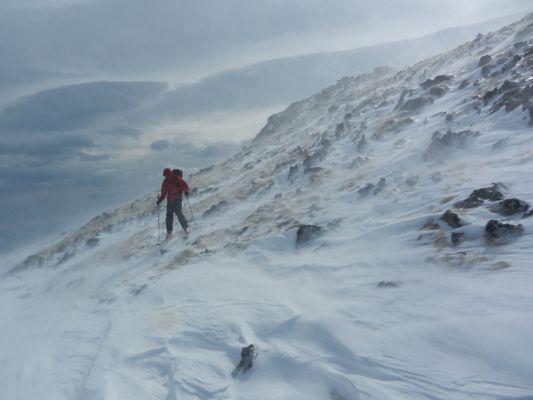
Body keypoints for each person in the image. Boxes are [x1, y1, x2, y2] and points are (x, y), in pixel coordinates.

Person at [157, 168, 190, 239]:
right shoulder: (172, 179)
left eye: (165, 175)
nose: (165, 176)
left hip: (174, 199)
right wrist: (186, 191)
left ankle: (170, 233)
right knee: (178, 214)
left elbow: (163, 193)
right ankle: (185, 228)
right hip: (174, 199)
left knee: (170, 215)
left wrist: (160, 200)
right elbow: (185, 185)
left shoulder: (169, 181)